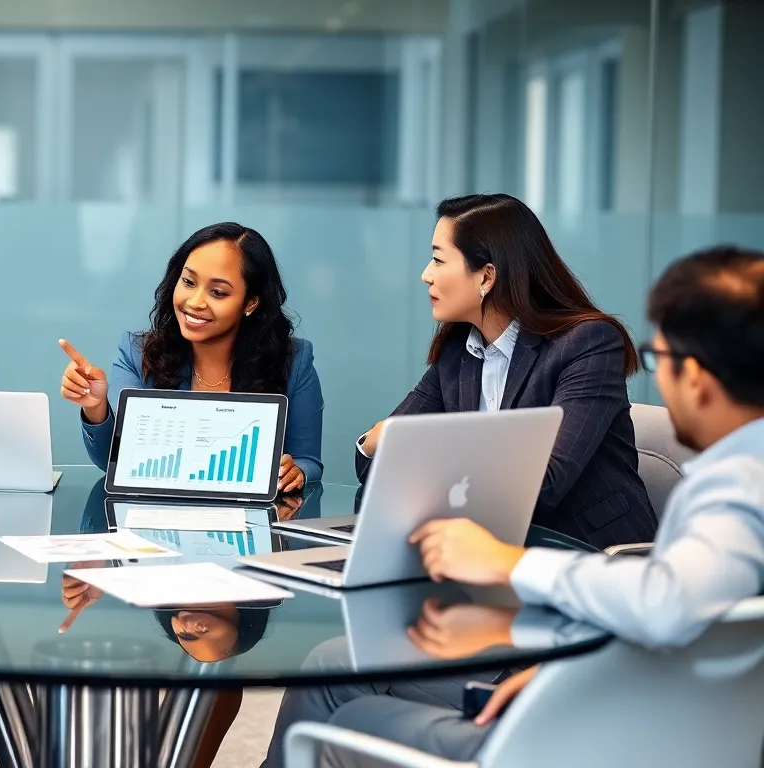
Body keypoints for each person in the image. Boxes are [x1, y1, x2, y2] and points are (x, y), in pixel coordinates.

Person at [289, 245, 764, 767]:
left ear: (694, 377)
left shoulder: (735, 491)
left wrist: (506, 563)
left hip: (615, 730)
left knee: (345, 715)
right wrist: (524, 640)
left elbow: (668, 604)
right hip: (625, 689)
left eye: (658, 358)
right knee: (335, 664)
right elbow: (697, 623)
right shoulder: (739, 477)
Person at [354, 194, 656, 549]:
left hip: (591, 557)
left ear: (486, 276)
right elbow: (376, 474)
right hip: (490, 555)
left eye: (438, 259)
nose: (425, 275)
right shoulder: (459, 352)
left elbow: (544, 486)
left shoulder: (588, 344)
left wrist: (421, 449)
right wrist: (379, 439)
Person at [59, 222, 324, 492]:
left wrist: (298, 471)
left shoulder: (294, 360)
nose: (195, 302)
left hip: (247, 525)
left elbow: (309, 461)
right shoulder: (137, 354)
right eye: (188, 282)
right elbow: (116, 463)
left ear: (250, 303)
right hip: (154, 522)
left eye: (218, 292)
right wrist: (95, 407)